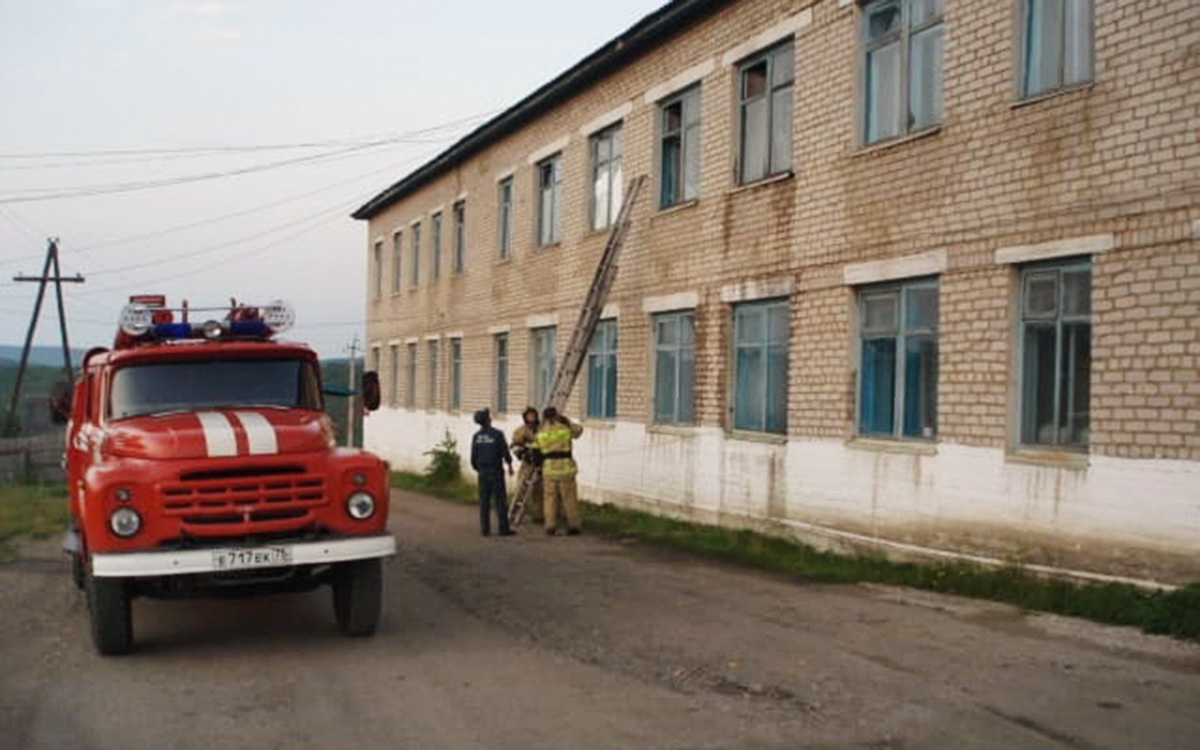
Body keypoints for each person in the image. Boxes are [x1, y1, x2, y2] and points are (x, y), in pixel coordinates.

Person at [536, 406, 584, 536]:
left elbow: (537, 447)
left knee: (550, 499)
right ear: (557, 415)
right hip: (566, 469)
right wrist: (567, 422)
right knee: (569, 498)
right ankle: (573, 525)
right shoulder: (565, 428)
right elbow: (579, 431)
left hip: (549, 470)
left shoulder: (542, 432)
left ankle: (550, 526)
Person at [470, 408, 515, 537]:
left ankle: (485, 529)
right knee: (500, 501)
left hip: (483, 472)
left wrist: (479, 469)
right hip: (496, 471)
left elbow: (473, 457)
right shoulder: (497, 434)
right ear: (488, 419)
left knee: (484, 501)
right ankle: (503, 529)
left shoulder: (476, 437)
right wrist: (510, 464)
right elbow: (504, 451)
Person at [509, 406, 544, 524]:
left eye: (533, 416)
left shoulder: (542, 429)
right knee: (521, 488)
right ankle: (513, 513)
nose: (531, 418)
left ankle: (539, 515)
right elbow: (514, 445)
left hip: (540, 464)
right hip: (527, 464)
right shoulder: (521, 430)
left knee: (539, 490)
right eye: (529, 416)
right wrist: (522, 453)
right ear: (525, 418)